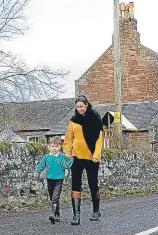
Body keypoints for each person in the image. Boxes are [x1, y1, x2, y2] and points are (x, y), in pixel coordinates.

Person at [63, 95, 104, 225]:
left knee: (93, 184)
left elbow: (99, 139)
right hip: (76, 157)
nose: (79, 109)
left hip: (91, 157)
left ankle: (96, 210)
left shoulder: (96, 118)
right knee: (75, 184)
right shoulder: (73, 121)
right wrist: (67, 151)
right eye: (77, 107)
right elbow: (68, 139)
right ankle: (76, 215)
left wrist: (96, 155)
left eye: (81, 106)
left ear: (86, 105)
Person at [34, 136, 73, 224]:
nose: (54, 148)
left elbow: (66, 166)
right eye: (52, 146)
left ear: (60, 147)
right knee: (52, 197)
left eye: (56, 146)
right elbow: (41, 165)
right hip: (49, 179)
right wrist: (37, 171)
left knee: (55, 197)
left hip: (59, 179)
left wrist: (70, 159)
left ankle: (53, 215)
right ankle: (57, 213)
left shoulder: (62, 157)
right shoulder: (47, 157)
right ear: (49, 147)